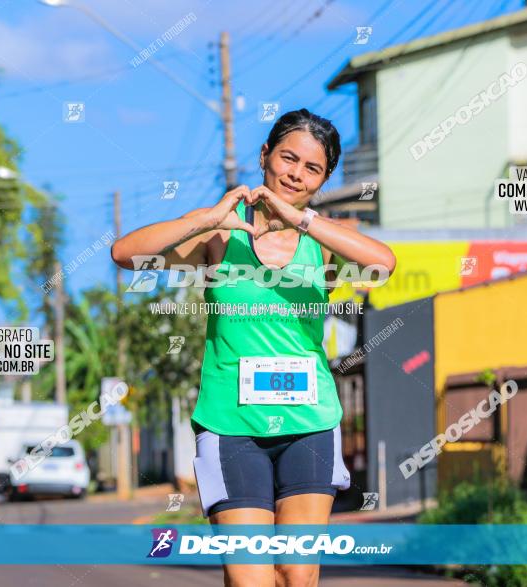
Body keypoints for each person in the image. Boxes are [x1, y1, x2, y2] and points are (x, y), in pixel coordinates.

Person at [111, 109, 396, 587]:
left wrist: (301, 220)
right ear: (264, 156)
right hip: (230, 424)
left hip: (309, 421)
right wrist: (206, 218)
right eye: (288, 158)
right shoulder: (219, 235)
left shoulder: (322, 244)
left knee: (297, 573)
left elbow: (383, 264)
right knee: (250, 580)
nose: (295, 174)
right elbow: (125, 253)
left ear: (323, 180)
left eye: (312, 169)